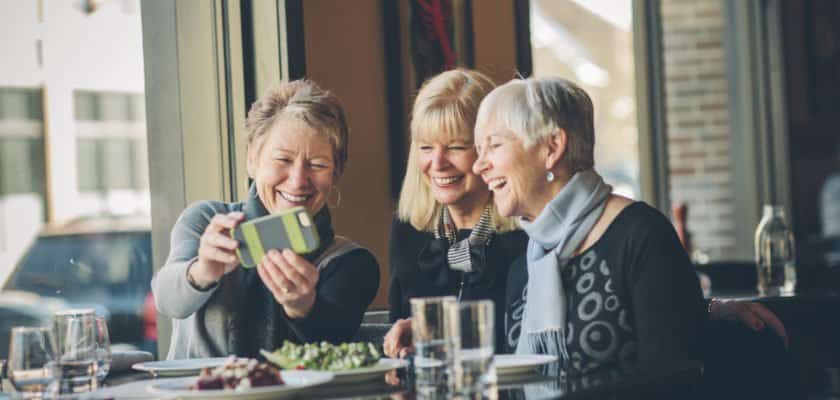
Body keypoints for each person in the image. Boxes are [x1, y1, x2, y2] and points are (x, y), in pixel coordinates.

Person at [471, 76, 787, 375]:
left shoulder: (641, 236)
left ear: (552, 147)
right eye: (479, 149)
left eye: (494, 146)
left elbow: (671, 381)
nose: (479, 165)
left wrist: (704, 311)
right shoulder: (524, 266)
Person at [152, 80, 380, 359]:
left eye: (318, 165)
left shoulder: (351, 262)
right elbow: (166, 300)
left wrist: (304, 308)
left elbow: (334, 341)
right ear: (252, 159)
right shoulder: (206, 221)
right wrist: (201, 271)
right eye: (282, 159)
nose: (298, 181)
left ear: (336, 173)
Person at [384, 69, 527, 357]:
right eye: (426, 147)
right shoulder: (408, 232)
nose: (437, 163)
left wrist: (440, 333)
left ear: (490, 152)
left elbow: (523, 340)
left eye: (456, 147)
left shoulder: (527, 232)